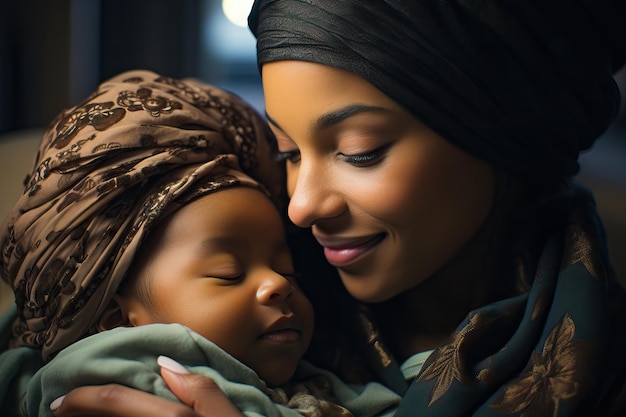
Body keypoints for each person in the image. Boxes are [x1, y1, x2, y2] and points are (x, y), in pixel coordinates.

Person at [7, 1, 626, 416]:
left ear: (503, 135)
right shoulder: (221, 259)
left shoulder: (601, 373)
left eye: (359, 151)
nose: (299, 207)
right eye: (289, 151)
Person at [0, 69, 400, 417]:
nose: (279, 284)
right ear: (118, 322)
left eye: (287, 269)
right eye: (228, 273)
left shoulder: (317, 377)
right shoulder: (122, 371)